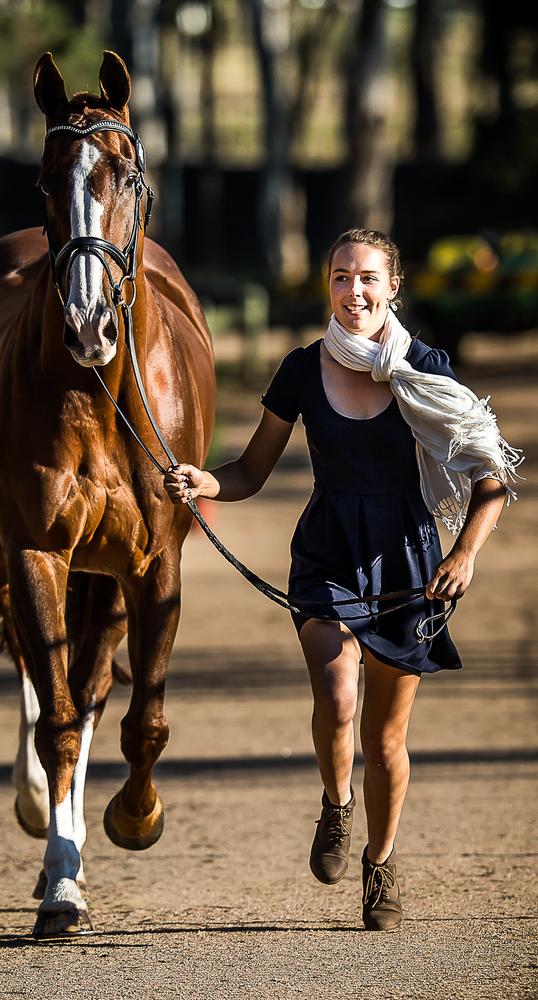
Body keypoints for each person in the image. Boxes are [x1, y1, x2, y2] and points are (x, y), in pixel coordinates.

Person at [163, 228, 521, 932]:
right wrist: (204, 479)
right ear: (326, 285)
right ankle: (336, 805)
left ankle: (380, 863)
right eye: (338, 277)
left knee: (386, 741)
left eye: (366, 278)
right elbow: (250, 470)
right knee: (336, 691)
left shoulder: (426, 367)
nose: (352, 291)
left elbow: (492, 478)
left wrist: (465, 556)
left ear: (392, 286)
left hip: (409, 564)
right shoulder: (300, 369)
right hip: (328, 553)